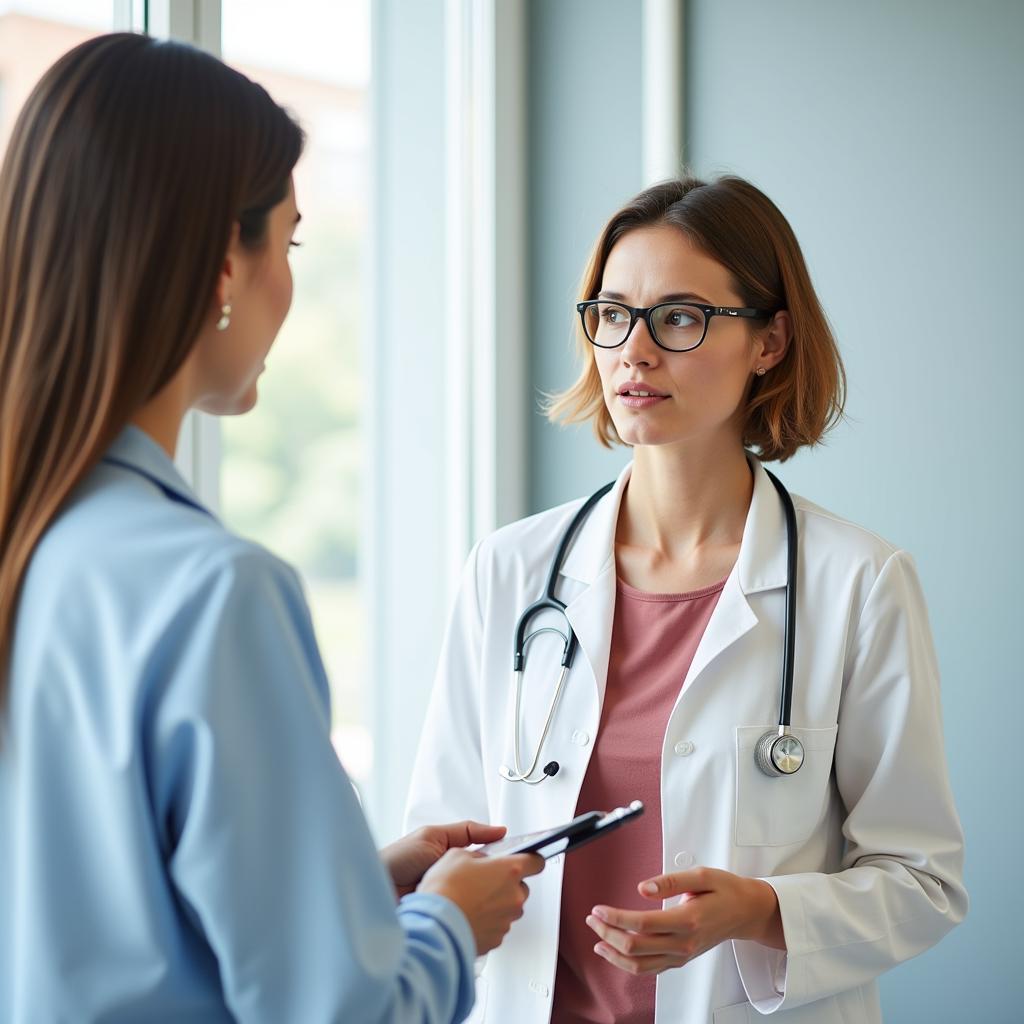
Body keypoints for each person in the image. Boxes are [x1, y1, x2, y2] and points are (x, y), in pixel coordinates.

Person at [0, 33, 542, 1023]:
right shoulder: (211, 593)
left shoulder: (36, 551)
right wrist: (447, 924)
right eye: (287, 243)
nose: (288, 282)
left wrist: (346, 894)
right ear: (221, 267)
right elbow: (345, 1015)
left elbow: (92, 922)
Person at [405, 175, 967, 1024]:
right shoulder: (510, 570)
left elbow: (922, 881)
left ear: (770, 341)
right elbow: (442, 840)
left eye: (679, 317)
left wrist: (759, 910)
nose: (634, 350)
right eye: (613, 314)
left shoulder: (859, 583)